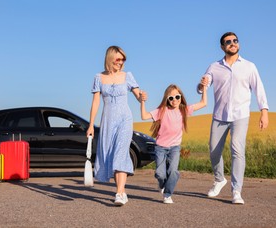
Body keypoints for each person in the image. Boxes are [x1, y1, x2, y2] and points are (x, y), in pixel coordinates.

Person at [198, 32, 269, 205]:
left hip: (240, 115)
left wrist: (264, 111)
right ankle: (219, 179)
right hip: (219, 115)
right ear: (222, 47)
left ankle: (236, 191)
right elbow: (202, 87)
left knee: (237, 150)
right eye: (228, 42)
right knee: (214, 150)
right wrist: (201, 85)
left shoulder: (249, 66)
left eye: (235, 41)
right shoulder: (214, 66)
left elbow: (259, 89)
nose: (232, 43)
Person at [87, 45, 143, 206]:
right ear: (110, 58)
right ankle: (122, 192)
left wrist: (142, 97)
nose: (121, 62)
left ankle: (119, 192)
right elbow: (96, 102)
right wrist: (91, 125)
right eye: (119, 58)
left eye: (123, 59)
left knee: (120, 152)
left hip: (124, 120)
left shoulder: (127, 76)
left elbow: (139, 96)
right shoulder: (99, 77)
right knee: (111, 154)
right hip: (107, 121)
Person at [140, 84, 207, 204]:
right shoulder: (161, 111)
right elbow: (144, 116)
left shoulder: (184, 110)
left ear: (181, 97)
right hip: (160, 147)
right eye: (171, 98)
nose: (174, 100)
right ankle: (162, 184)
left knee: (173, 171)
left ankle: (167, 194)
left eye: (177, 96)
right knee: (160, 174)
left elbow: (203, 103)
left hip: (175, 148)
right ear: (167, 99)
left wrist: (204, 88)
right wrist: (142, 102)